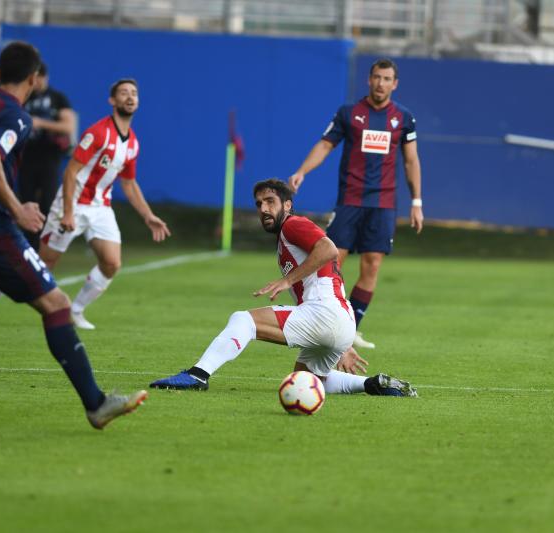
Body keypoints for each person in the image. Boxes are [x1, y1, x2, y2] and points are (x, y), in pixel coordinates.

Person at [0, 41, 146, 428]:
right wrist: (17, 209)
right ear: (33, 79)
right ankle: (96, 404)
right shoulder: (15, 115)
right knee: (57, 304)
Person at [150, 178, 417, 397]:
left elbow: (329, 249)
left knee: (243, 320)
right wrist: (341, 340)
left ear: (287, 205)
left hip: (325, 313)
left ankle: (198, 375)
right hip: (338, 318)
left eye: (270, 201)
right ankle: (373, 384)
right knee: (305, 382)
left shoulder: (293, 224)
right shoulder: (286, 237)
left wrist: (287, 280)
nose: (263, 209)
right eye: (259, 204)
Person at [0, 78, 171, 329]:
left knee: (112, 263)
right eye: (124, 93)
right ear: (112, 101)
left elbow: (129, 184)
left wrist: (148, 215)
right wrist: (68, 213)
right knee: (45, 264)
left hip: (101, 207)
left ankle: (77, 310)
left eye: (134, 93)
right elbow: (70, 171)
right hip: (73, 203)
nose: (130, 97)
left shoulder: (132, 143)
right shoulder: (98, 133)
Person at [288, 58, 423, 350]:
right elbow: (325, 144)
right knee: (331, 260)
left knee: (372, 264)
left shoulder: (404, 118)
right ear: (369, 80)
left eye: (387, 79)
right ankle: (317, 320)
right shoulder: (349, 113)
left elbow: (411, 160)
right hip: (350, 199)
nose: (381, 83)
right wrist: (302, 171)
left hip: (383, 203)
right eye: (377, 77)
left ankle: (349, 332)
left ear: (395, 84)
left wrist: (417, 201)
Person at [17, 62, 76, 250]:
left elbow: (69, 126)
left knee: (47, 202)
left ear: (45, 77)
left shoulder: (57, 98)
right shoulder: (23, 98)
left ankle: (43, 245)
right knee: (26, 201)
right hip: (26, 157)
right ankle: (27, 246)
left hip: (49, 158)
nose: (37, 82)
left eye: (40, 78)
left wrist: (40, 123)